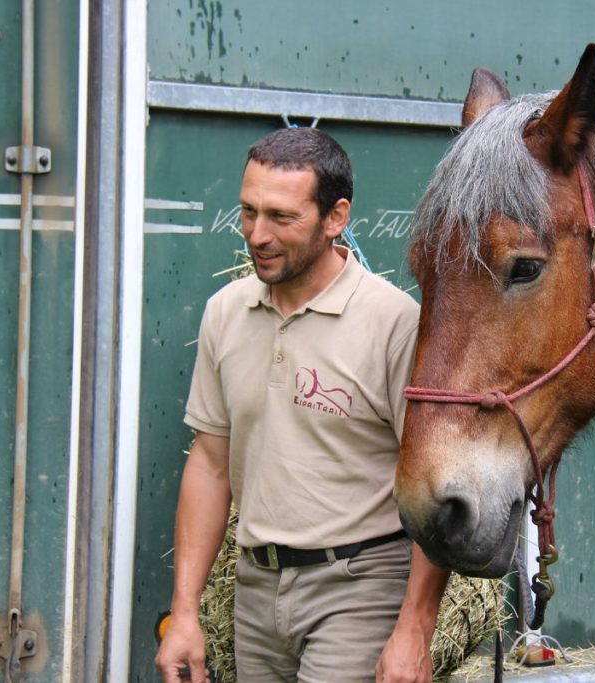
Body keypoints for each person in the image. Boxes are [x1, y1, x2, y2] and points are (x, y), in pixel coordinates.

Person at [155, 126, 450, 683]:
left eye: (281, 218)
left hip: (359, 585)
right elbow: (211, 464)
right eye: (248, 212)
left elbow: (434, 484)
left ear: (335, 218)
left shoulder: (394, 324)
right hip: (256, 588)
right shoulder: (225, 313)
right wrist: (185, 613)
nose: (257, 235)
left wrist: (414, 629)